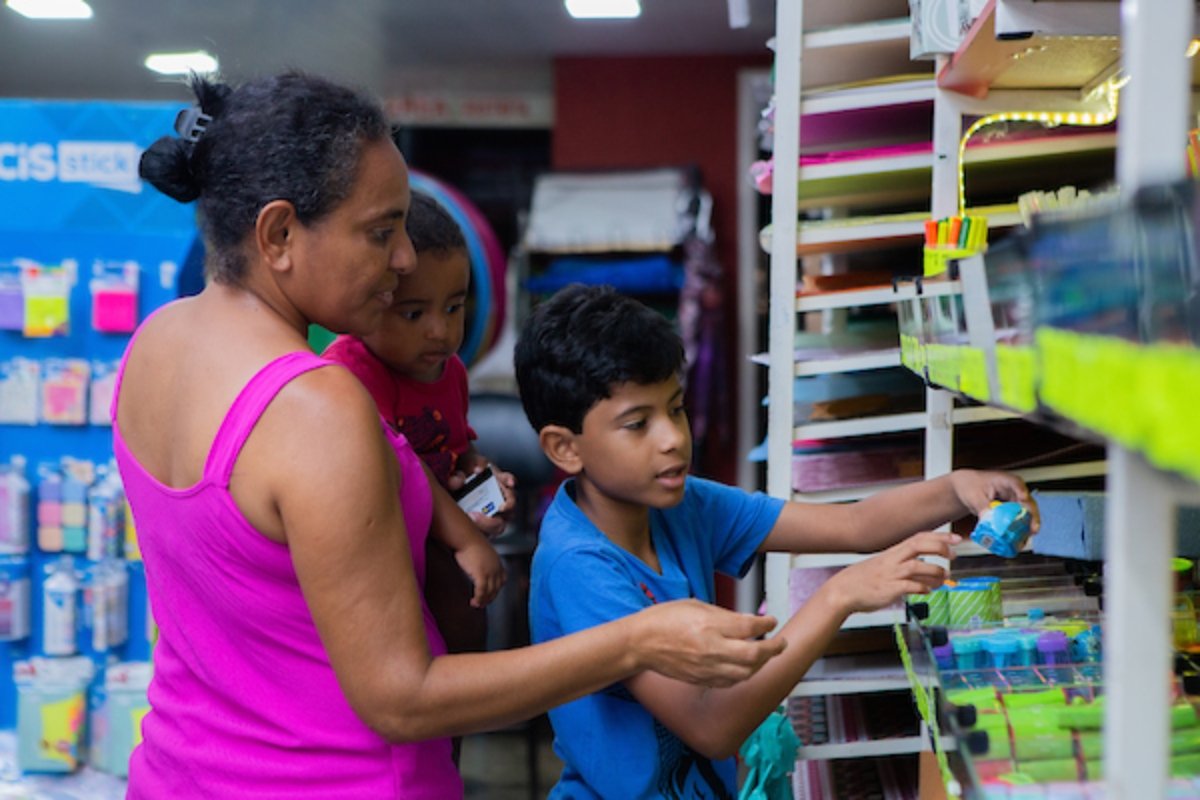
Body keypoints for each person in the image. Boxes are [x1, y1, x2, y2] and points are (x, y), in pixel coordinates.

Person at [119, 71, 785, 799]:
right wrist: (638, 639)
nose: (404, 258)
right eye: (380, 232)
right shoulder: (317, 405)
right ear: (279, 234)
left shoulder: (154, 347)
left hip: (178, 773)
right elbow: (403, 698)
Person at [514, 283, 1039, 800]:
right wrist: (838, 597)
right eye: (637, 423)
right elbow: (711, 725)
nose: (673, 437)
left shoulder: (679, 504)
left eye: (675, 409)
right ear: (565, 448)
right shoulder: (580, 565)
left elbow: (854, 526)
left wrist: (957, 487)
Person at [322, 190, 510, 760]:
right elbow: (395, 459)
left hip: (433, 548)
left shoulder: (447, 370)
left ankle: (449, 739)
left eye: (454, 308)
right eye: (414, 313)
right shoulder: (346, 373)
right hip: (383, 565)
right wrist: (464, 537)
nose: (440, 332)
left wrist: (478, 478)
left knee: (467, 638)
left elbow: (449, 451)